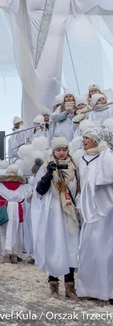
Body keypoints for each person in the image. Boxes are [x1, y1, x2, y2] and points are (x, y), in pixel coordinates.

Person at [33, 136, 80, 300]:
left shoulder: (74, 167)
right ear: (53, 151)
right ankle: (53, 284)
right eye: (58, 150)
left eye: (64, 149)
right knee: (54, 246)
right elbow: (38, 190)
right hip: (52, 214)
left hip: (69, 213)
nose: (61, 152)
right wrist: (49, 174)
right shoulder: (46, 166)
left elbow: (78, 189)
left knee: (71, 247)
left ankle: (70, 286)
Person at [77, 125, 113, 304]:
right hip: (89, 210)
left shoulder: (106, 156)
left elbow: (109, 175)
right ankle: (90, 288)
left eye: (87, 137)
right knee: (89, 249)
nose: (83, 141)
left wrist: (105, 150)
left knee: (106, 251)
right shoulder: (83, 159)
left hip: (106, 209)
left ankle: (108, 291)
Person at [0, 165, 28, 264]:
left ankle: (5, 254)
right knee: (15, 231)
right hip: (17, 208)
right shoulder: (21, 186)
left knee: (4, 232)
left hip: (4, 208)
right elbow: (23, 199)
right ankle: (15, 254)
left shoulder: (0, 184)